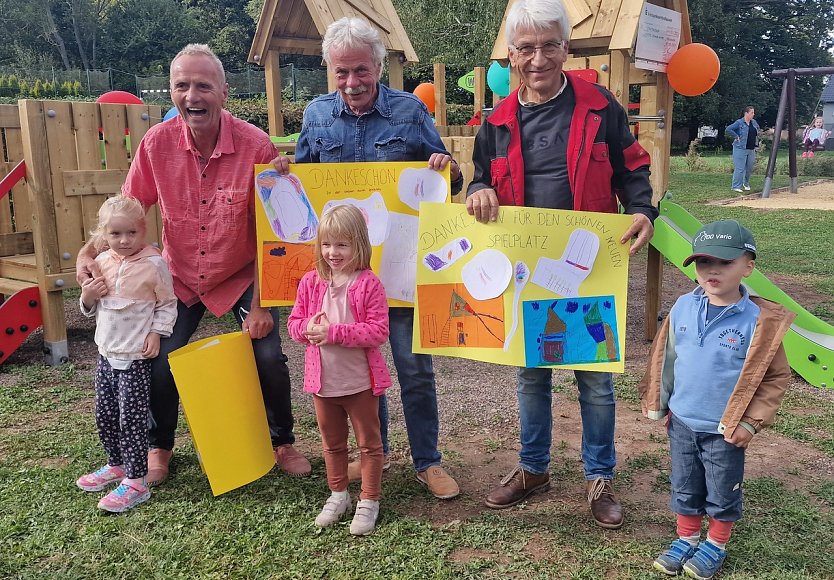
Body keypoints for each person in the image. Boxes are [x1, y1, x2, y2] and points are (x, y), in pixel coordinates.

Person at [76, 43, 311, 486]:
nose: (192, 95)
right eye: (181, 85)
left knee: (268, 357)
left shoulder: (256, 146)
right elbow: (125, 210)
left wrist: (260, 305)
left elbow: (272, 235)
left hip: (241, 274)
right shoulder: (156, 144)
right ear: (171, 91)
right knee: (161, 358)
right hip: (178, 276)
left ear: (223, 92)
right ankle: (158, 446)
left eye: (203, 85)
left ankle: (282, 441)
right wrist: (89, 252)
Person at [465, 0, 657, 529]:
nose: (538, 58)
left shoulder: (601, 107)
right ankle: (533, 469)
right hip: (527, 272)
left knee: (594, 377)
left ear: (565, 49)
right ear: (511, 54)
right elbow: (479, 176)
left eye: (550, 45)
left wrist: (642, 210)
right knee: (532, 374)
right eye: (526, 48)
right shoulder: (496, 121)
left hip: (589, 267)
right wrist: (478, 189)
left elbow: (632, 167)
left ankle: (599, 477)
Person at [275, 16, 462, 500]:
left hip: (399, 274)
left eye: (361, 70)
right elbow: (304, 193)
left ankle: (428, 461)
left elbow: (444, 182)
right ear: (328, 71)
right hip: (344, 281)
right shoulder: (316, 116)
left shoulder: (409, 112)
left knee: (412, 367)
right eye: (341, 73)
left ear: (379, 66)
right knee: (358, 374)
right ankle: (368, 455)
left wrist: (448, 168)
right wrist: (283, 172)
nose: (352, 83)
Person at [639, 220, 794, 579]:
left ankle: (716, 544)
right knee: (684, 483)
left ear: (748, 266)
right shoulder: (681, 307)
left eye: (725, 262)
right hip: (682, 421)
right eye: (704, 262)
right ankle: (687, 537)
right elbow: (666, 359)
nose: (712, 270)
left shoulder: (759, 321)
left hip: (725, 429)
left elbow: (775, 377)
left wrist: (751, 422)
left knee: (722, 491)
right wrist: (664, 403)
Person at [287, 205, 391, 535]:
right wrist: (307, 328)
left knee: (369, 445)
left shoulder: (369, 284)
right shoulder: (310, 282)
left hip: (359, 383)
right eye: (327, 244)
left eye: (342, 245)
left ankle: (369, 500)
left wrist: (335, 332)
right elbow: (292, 324)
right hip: (323, 385)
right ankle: (338, 494)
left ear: (359, 244)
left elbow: (378, 331)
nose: (333, 252)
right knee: (332, 445)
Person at [76, 196, 177, 512]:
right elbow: (92, 307)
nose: (123, 241)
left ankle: (135, 481)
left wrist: (155, 332)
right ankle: (116, 464)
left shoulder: (154, 265)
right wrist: (88, 296)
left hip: (134, 358)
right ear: (104, 235)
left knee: (131, 419)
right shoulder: (103, 261)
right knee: (104, 415)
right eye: (115, 234)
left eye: (130, 233)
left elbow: (167, 304)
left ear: (143, 229)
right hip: (106, 354)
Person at [725, 106, 760, 193]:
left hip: (751, 148)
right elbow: (728, 129)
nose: (753, 114)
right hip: (740, 148)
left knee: (749, 168)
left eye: (753, 112)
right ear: (746, 113)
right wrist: (736, 136)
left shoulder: (754, 122)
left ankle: (746, 183)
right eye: (752, 112)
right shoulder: (739, 123)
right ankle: (736, 186)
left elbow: (757, 130)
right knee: (740, 168)